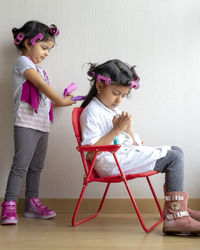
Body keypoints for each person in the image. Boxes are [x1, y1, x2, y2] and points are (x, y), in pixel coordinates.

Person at [80, 59, 200, 234]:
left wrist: (128, 130)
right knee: (174, 158)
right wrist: (116, 130)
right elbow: (90, 153)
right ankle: (176, 216)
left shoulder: (113, 111)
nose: (119, 100)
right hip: (112, 163)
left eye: (123, 95)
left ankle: (173, 210)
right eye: (115, 93)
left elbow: (135, 144)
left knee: (176, 150)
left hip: (124, 156)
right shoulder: (92, 112)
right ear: (99, 85)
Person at [1, 20, 76, 225]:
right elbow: (40, 86)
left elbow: (45, 99)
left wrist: (65, 101)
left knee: (36, 166)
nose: (46, 53)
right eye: (44, 47)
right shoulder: (23, 63)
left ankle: (32, 203)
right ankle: (8, 204)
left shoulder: (41, 71)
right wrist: (58, 99)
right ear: (27, 43)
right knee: (20, 165)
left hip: (42, 124)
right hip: (25, 122)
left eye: (49, 50)